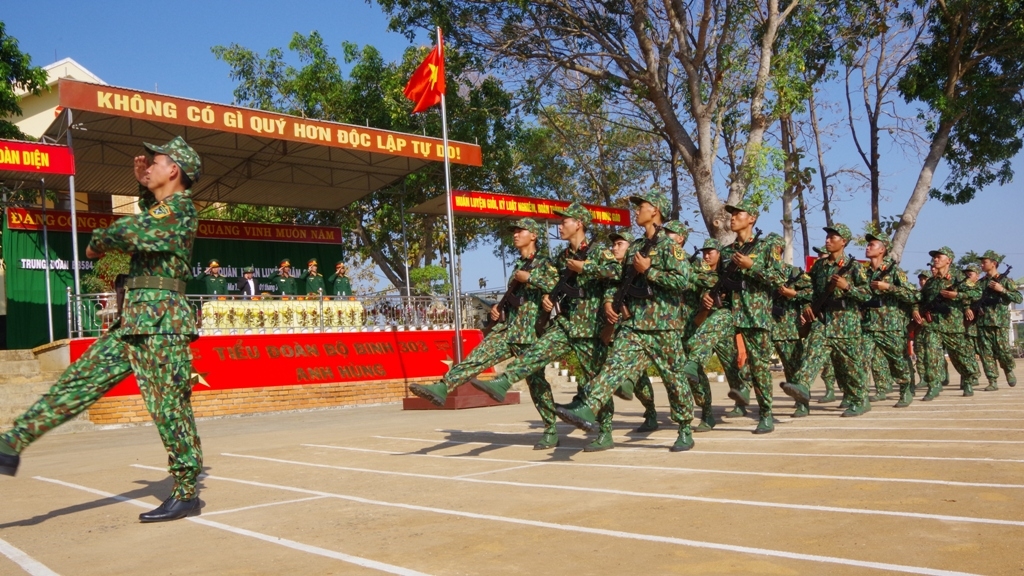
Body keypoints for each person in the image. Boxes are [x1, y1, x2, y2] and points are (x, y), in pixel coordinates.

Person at [0, 136, 204, 522]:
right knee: (79, 381)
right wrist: (142, 188)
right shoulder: (162, 208)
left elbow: (134, 232)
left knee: (169, 409)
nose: (150, 165)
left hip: (162, 326)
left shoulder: (182, 210)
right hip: (136, 322)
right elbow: (148, 218)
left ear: (174, 169)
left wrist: (97, 243)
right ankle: (12, 441)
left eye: (157, 162)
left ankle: (187, 490)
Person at [473, 204, 630, 452]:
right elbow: (555, 282)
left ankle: (606, 432)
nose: (560, 226)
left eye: (564, 222)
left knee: (593, 380)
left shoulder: (599, 253)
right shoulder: (560, 256)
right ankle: (504, 382)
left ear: (578, 223)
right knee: (537, 352)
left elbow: (617, 272)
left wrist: (585, 267)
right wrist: (550, 298)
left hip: (590, 329)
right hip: (566, 323)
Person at [555, 190, 697, 452]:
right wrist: (613, 303)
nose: (636, 210)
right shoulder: (636, 249)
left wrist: (650, 271)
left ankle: (685, 427)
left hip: (663, 325)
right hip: (635, 325)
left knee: (673, 378)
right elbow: (621, 281)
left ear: (655, 210)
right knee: (614, 365)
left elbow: (683, 282)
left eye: (641, 206)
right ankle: (588, 406)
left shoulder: (669, 247)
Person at [408, 218, 561, 449]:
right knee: (476, 358)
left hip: (530, 333)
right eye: (515, 231)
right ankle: (442, 386)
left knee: (537, 383)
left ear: (534, 236)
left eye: (521, 231)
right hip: (508, 329)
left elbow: (556, 285)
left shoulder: (544, 263)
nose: (516, 234)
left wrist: (530, 278)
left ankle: (550, 429)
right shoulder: (518, 266)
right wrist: (500, 308)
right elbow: (516, 296)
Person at [683, 200, 784, 433]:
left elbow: (778, 280)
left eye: (739, 214)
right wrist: (708, 296)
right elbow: (717, 281)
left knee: (758, 367)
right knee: (709, 329)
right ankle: (693, 362)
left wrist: (751, 266)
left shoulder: (766, 246)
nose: (733, 217)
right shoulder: (727, 252)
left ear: (752, 219)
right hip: (729, 310)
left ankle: (766, 414)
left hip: (755, 314)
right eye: (732, 214)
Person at [781, 223, 873, 417]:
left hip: (846, 322)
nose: (827, 240)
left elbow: (867, 296)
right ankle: (802, 392)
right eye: (827, 237)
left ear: (844, 241)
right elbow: (809, 289)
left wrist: (848, 287)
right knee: (810, 356)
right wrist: (806, 304)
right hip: (822, 321)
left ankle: (859, 399)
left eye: (833, 237)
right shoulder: (819, 267)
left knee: (850, 366)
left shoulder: (854, 267)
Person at [914, 247, 981, 399]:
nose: (935, 259)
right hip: (933, 326)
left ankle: (968, 379)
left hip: (953, 325)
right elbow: (920, 299)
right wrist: (916, 310)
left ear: (948, 260)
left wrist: (957, 295)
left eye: (939, 257)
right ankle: (934, 385)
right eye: (934, 257)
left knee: (960, 357)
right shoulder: (930, 282)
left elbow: (977, 293)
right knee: (931, 355)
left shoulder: (959, 279)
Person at [860, 232, 918, 407]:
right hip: (868, 324)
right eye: (867, 245)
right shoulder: (863, 272)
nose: (867, 247)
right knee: (860, 360)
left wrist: (889, 287)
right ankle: (860, 398)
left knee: (897, 361)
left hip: (890, 325)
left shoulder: (894, 272)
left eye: (872, 245)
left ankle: (905, 389)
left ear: (882, 250)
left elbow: (913, 295)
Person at [974, 250, 1021, 390]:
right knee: (986, 352)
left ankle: (1008, 370)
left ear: (994, 263)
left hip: (1000, 322)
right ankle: (992, 380)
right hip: (983, 322)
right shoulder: (981, 283)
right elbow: (973, 299)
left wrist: (1002, 290)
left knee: (1003, 350)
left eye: (984, 262)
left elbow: (1019, 298)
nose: (982, 265)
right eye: (981, 262)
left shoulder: (1006, 281)